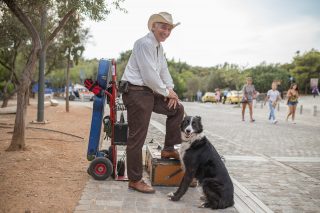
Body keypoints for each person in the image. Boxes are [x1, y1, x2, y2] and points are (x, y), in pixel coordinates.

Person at [121, 12, 184, 194]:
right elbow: (149, 76)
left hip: (149, 92)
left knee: (177, 109)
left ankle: (168, 149)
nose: (167, 31)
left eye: (169, 28)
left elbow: (163, 71)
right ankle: (134, 180)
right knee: (137, 137)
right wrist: (166, 92)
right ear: (153, 27)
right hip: (136, 92)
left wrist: (171, 91)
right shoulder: (144, 43)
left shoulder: (158, 48)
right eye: (163, 27)